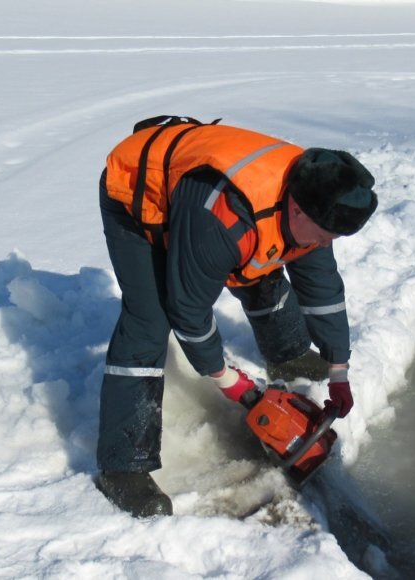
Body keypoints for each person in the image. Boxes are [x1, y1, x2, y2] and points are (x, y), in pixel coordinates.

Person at [94, 116, 378, 517]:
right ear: (295, 208)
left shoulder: (317, 200)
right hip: (137, 196)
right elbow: (188, 311)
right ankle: (122, 467)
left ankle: (290, 353)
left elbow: (323, 290)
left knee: (263, 264)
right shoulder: (225, 217)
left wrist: (339, 370)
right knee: (150, 320)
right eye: (324, 233)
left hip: (209, 202)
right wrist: (234, 385)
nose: (326, 243)